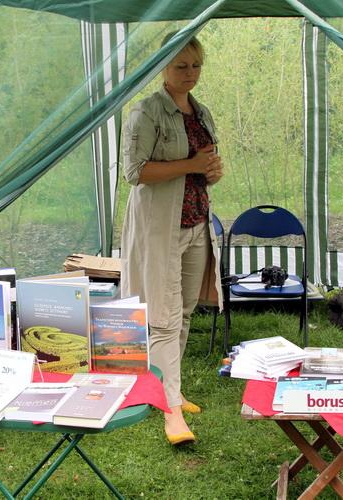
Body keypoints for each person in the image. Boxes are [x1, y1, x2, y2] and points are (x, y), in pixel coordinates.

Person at [120, 33, 224, 446]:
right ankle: (171, 412)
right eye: (181, 66)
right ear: (163, 66)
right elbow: (134, 173)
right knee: (163, 318)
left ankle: (171, 390)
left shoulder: (201, 112)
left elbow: (207, 166)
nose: (190, 74)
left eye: (196, 66)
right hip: (161, 228)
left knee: (184, 311)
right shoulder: (145, 112)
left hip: (197, 223)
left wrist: (211, 171)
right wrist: (191, 165)